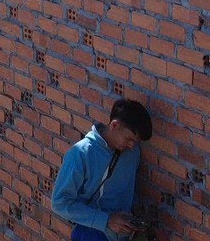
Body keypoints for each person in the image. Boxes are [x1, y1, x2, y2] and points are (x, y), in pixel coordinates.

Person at [50, 99, 154, 241]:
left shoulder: (133, 152)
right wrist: (106, 220)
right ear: (114, 125)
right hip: (91, 233)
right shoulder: (81, 153)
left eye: (135, 142)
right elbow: (59, 203)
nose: (131, 146)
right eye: (128, 139)